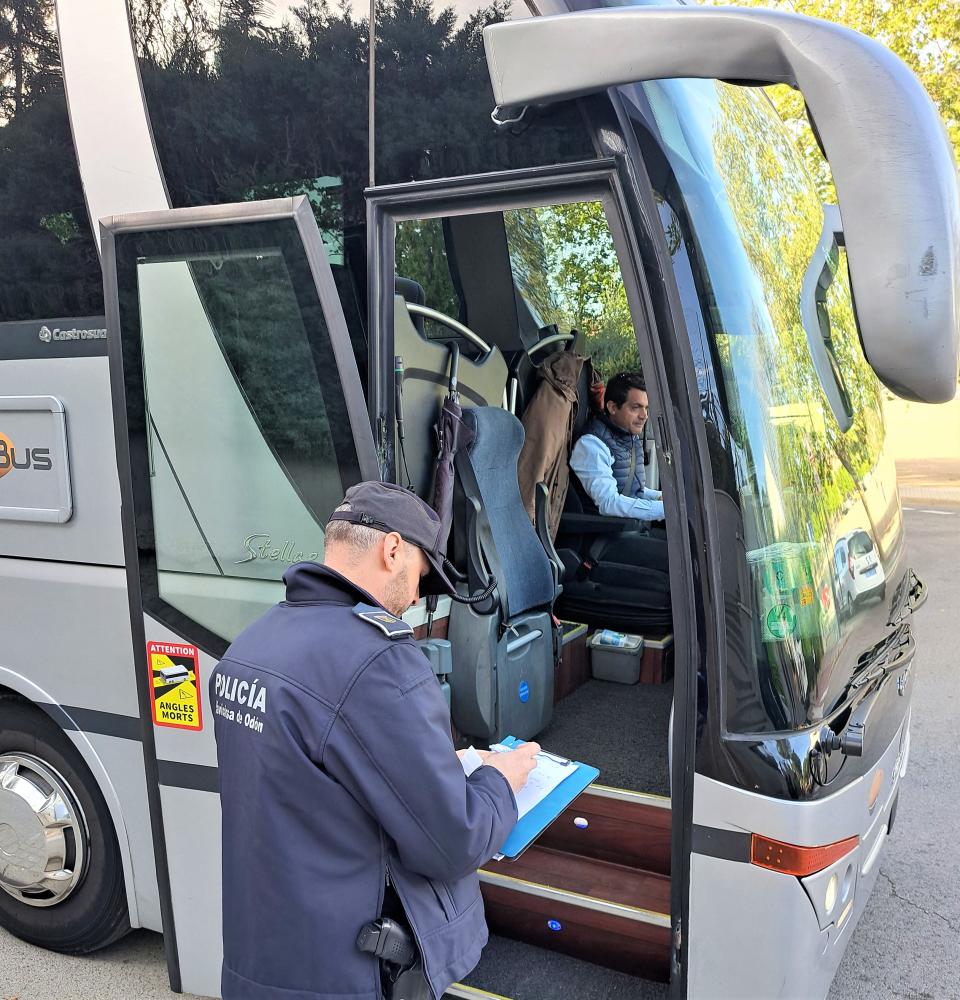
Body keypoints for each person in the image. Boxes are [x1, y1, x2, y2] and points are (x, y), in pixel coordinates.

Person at [211, 481, 539, 1000]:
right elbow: (454, 841)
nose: (413, 597)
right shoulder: (378, 660)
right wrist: (499, 779)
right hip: (344, 976)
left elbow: (311, 787)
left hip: (261, 965)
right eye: (420, 577)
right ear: (392, 550)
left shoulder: (250, 646)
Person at [569, 371, 668, 571]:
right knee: (679, 563)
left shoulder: (625, 436)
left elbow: (628, 487)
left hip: (627, 529)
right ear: (612, 407)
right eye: (636, 408)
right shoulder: (592, 446)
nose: (644, 416)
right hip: (600, 542)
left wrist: (661, 497)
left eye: (646, 408)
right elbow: (609, 503)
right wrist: (667, 511)